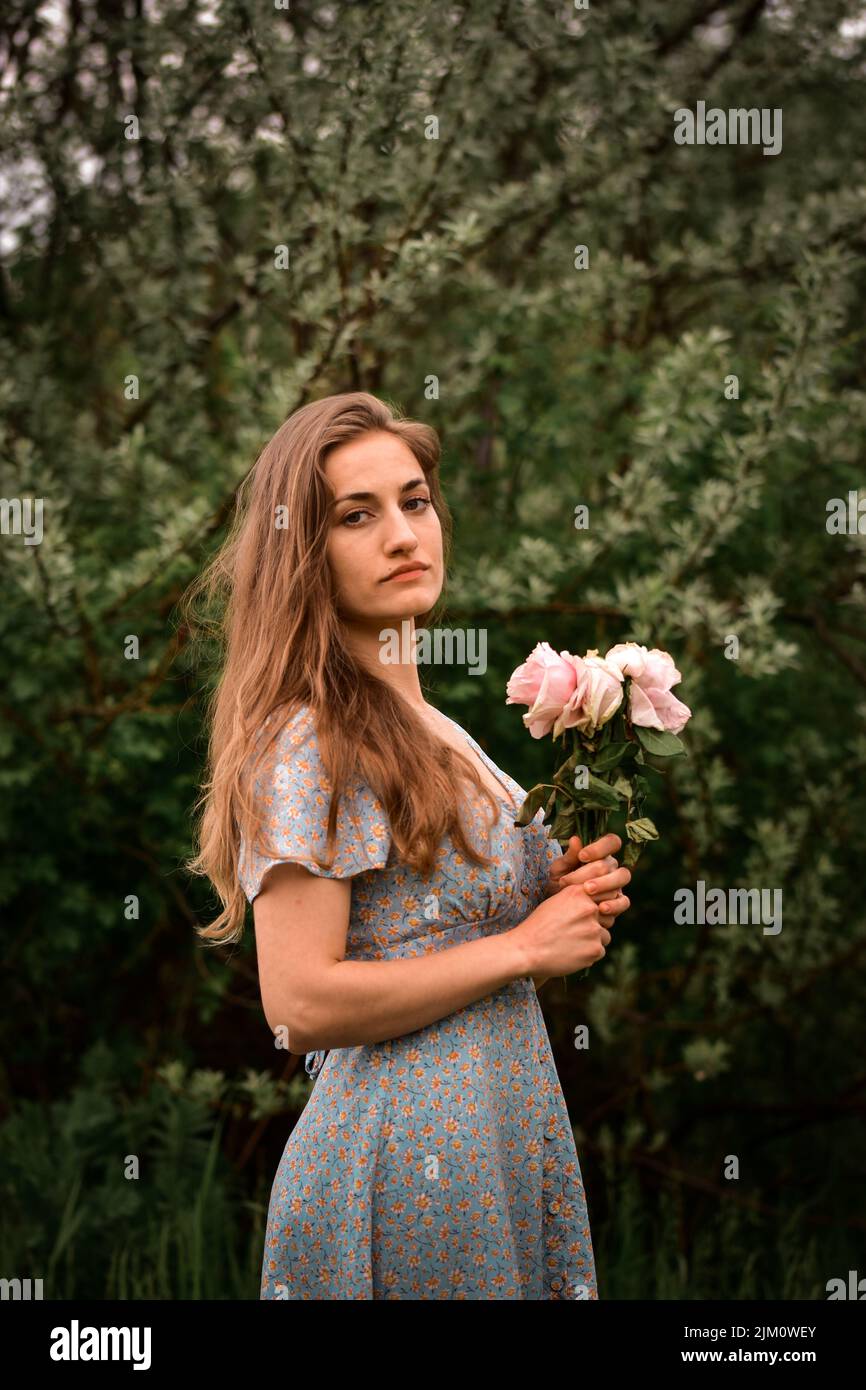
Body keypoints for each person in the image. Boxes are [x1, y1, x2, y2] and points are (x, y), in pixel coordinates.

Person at [185, 391, 632, 1300]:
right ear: (303, 552)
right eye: (358, 515)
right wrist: (520, 946)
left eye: (414, 501)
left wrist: (559, 900)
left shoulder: (431, 727)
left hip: (496, 1141)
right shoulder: (308, 737)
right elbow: (299, 1001)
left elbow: (430, 941)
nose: (402, 534)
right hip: (404, 1166)